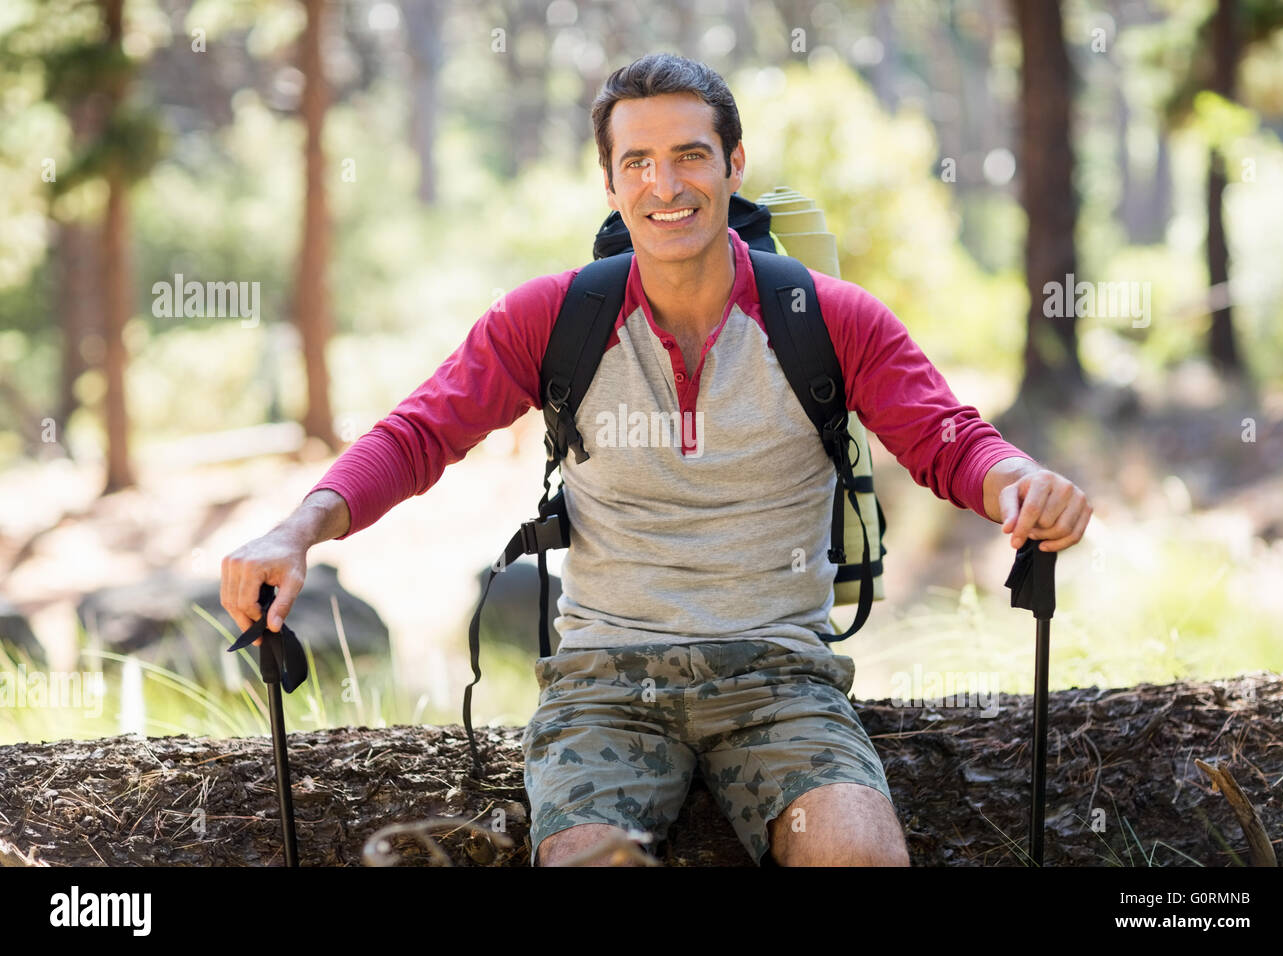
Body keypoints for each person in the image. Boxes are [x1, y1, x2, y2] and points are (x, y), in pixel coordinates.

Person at [220, 52, 1092, 867]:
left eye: (690, 155)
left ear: (734, 163)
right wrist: (298, 530)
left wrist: (1019, 484)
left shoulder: (827, 318)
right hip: (604, 684)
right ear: (609, 181)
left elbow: (947, 438)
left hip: (781, 679)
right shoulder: (553, 320)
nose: (664, 186)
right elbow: (419, 433)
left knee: (860, 855)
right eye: (637, 162)